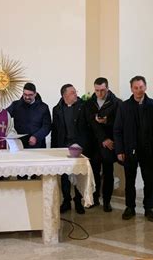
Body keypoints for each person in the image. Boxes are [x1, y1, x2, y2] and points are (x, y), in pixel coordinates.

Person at [113, 76, 153, 222]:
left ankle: (149, 208)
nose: (139, 90)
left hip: (148, 150)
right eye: (136, 88)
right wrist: (120, 150)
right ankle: (130, 207)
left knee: (149, 181)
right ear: (131, 89)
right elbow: (117, 130)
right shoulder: (124, 106)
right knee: (130, 181)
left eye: (141, 87)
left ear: (145, 87)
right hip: (129, 149)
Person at [84, 77, 121, 212]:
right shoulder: (89, 103)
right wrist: (103, 138)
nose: (99, 93)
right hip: (95, 143)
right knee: (94, 173)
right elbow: (91, 124)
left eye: (102, 90)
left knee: (108, 173)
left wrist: (107, 122)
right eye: (97, 90)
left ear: (108, 88)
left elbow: (119, 123)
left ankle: (107, 201)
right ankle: (94, 198)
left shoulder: (116, 103)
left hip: (109, 144)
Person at [52, 84, 87, 214]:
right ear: (65, 95)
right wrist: (54, 149)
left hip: (79, 146)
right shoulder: (56, 109)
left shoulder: (82, 106)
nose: (76, 94)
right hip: (63, 145)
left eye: (75, 91)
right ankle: (66, 201)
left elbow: (86, 128)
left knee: (78, 174)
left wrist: (83, 145)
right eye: (72, 92)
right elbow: (55, 130)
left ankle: (78, 201)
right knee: (65, 175)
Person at [7, 83, 51, 149]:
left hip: (38, 144)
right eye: (25, 94)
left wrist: (36, 136)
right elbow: (4, 116)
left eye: (30, 95)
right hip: (19, 143)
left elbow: (47, 126)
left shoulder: (43, 107)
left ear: (35, 94)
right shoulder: (15, 105)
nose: (27, 97)